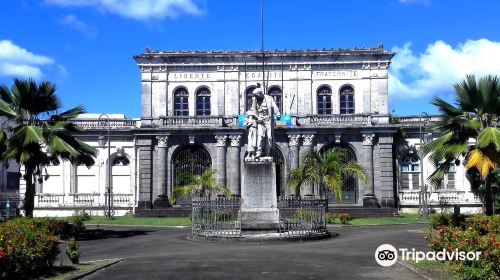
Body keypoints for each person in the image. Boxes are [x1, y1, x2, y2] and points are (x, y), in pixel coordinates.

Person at [252, 83, 281, 158]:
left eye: (257, 96)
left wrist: (277, 113)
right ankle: (258, 152)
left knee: (269, 137)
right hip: (260, 120)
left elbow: (274, 106)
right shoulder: (255, 100)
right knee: (260, 137)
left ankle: (267, 153)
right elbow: (253, 110)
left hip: (268, 120)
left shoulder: (269, 98)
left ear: (260, 93)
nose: (256, 98)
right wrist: (257, 118)